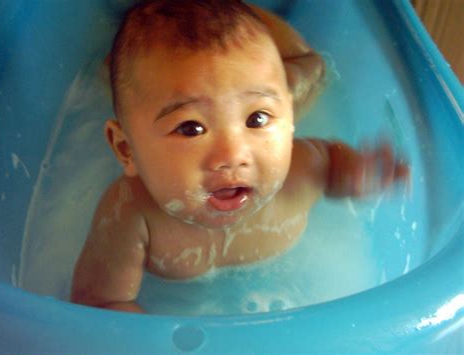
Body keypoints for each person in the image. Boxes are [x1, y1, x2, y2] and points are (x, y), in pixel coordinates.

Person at [71, 0, 408, 313]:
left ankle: (237, 13)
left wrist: (357, 174)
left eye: (257, 120)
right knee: (123, 75)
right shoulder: (130, 213)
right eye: (191, 128)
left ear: (289, 122)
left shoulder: (303, 168)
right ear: (125, 150)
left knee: (310, 69)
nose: (233, 155)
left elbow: (335, 166)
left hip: (286, 81)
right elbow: (101, 303)